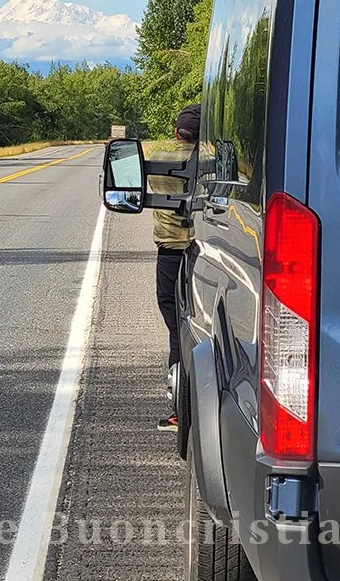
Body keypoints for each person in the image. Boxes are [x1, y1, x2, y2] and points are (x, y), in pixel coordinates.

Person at [147, 103, 200, 432]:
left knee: (176, 329)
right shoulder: (214, 163)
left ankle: (180, 407)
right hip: (203, 251)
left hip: (170, 253)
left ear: (176, 131)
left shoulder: (159, 159)